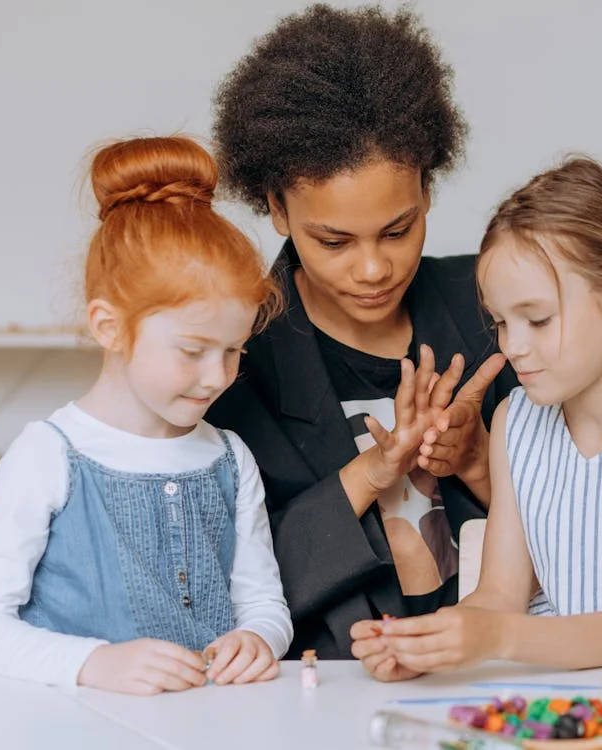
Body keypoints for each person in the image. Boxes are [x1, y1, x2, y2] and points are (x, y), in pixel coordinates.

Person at [352, 156, 602, 679]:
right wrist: (426, 644)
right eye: (499, 322)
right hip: (539, 694)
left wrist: (492, 636)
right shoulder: (516, 422)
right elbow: (500, 593)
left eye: (537, 319)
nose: (512, 346)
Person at [206, 4, 518, 660]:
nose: (374, 269)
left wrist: (478, 460)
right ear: (276, 209)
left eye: (398, 230)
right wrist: (371, 472)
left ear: (428, 188)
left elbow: (587, 527)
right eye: (335, 240)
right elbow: (238, 581)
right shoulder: (236, 358)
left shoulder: (496, 306)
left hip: (497, 668)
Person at [0, 136, 292, 694]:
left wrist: (259, 638)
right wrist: (93, 664)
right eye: (192, 349)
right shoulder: (48, 453)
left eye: (234, 351)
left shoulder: (229, 457)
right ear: (109, 326)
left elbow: (262, 604)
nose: (217, 376)